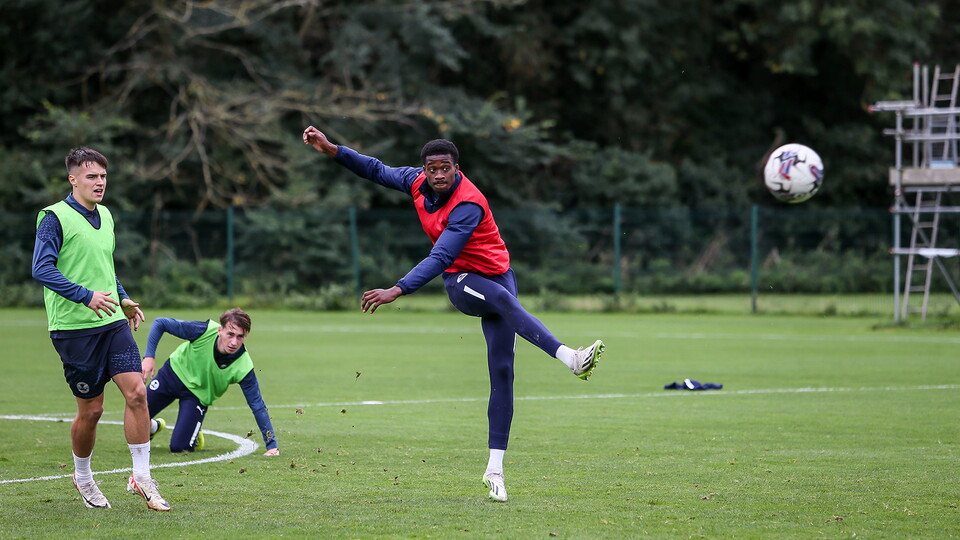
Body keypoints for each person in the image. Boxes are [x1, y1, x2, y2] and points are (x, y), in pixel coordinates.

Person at [303, 126, 604, 502]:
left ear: (456, 168)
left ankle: (494, 469)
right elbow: (377, 170)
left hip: (497, 278)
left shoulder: (468, 203)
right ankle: (570, 358)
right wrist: (333, 149)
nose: (439, 174)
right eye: (432, 168)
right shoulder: (415, 182)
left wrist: (396, 288)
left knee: (503, 372)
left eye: (446, 167)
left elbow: (441, 252)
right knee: (504, 302)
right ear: (424, 169)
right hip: (460, 282)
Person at [32, 147, 170, 511]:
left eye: (103, 177)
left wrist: (121, 297)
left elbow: (104, 267)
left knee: (137, 392)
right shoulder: (53, 218)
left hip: (111, 322)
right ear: (73, 179)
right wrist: (85, 296)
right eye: (91, 176)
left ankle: (142, 478)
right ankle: (83, 475)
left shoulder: (106, 215)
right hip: (73, 328)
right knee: (91, 411)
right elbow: (42, 269)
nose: (99, 183)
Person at [141, 308, 280, 457]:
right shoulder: (203, 331)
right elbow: (160, 323)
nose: (234, 342)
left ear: (246, 337)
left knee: (179, 447)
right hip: (172, 376)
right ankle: (154, 427)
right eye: (230, 334)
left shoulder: (243, 367)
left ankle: (194, 427)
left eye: (240, 337)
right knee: (135, 418)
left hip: (197, 396)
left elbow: (257, 405)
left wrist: (272, 446)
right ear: (220, 330)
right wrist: (149, 357)